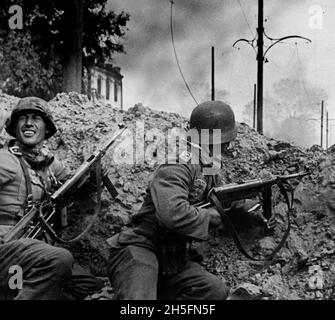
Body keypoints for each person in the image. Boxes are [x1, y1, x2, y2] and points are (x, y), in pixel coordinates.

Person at [107, 100, 243, 300]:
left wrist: (250, 209)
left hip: (171, 258)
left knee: (213, 291)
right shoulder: (179, 165)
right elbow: (172, 213)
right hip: (141, 247)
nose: (227, 146)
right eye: (221, 141)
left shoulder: (209, 167)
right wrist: (210, 217)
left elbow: (222, 200)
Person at [0, 97, 101, 300]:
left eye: (36, 118)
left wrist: (93, 175)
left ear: (46, 128)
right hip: (6, 253)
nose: (29, 123)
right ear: (14, 128)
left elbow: (73, 189)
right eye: (23, 119)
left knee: (86, 284)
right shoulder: (6, 159)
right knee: (58, 259)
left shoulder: (49, 165)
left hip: (29, 254)